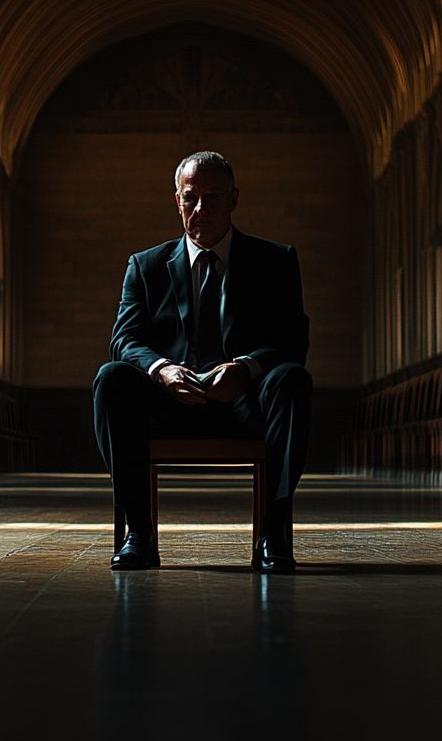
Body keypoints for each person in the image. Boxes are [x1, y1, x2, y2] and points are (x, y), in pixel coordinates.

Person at [93, 151, 311, 572]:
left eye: (212, 198)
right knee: (112, 378)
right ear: (177, 201)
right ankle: (138, 533)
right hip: (170, 402)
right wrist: (162, 370)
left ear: (234, 199)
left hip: (246, 403)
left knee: (291, 379)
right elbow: (124, 339)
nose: (200, 209)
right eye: (190, 198)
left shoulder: (275, 261)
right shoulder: (146, 266)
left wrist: (245, 368)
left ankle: (274, 534)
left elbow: (291, 340)